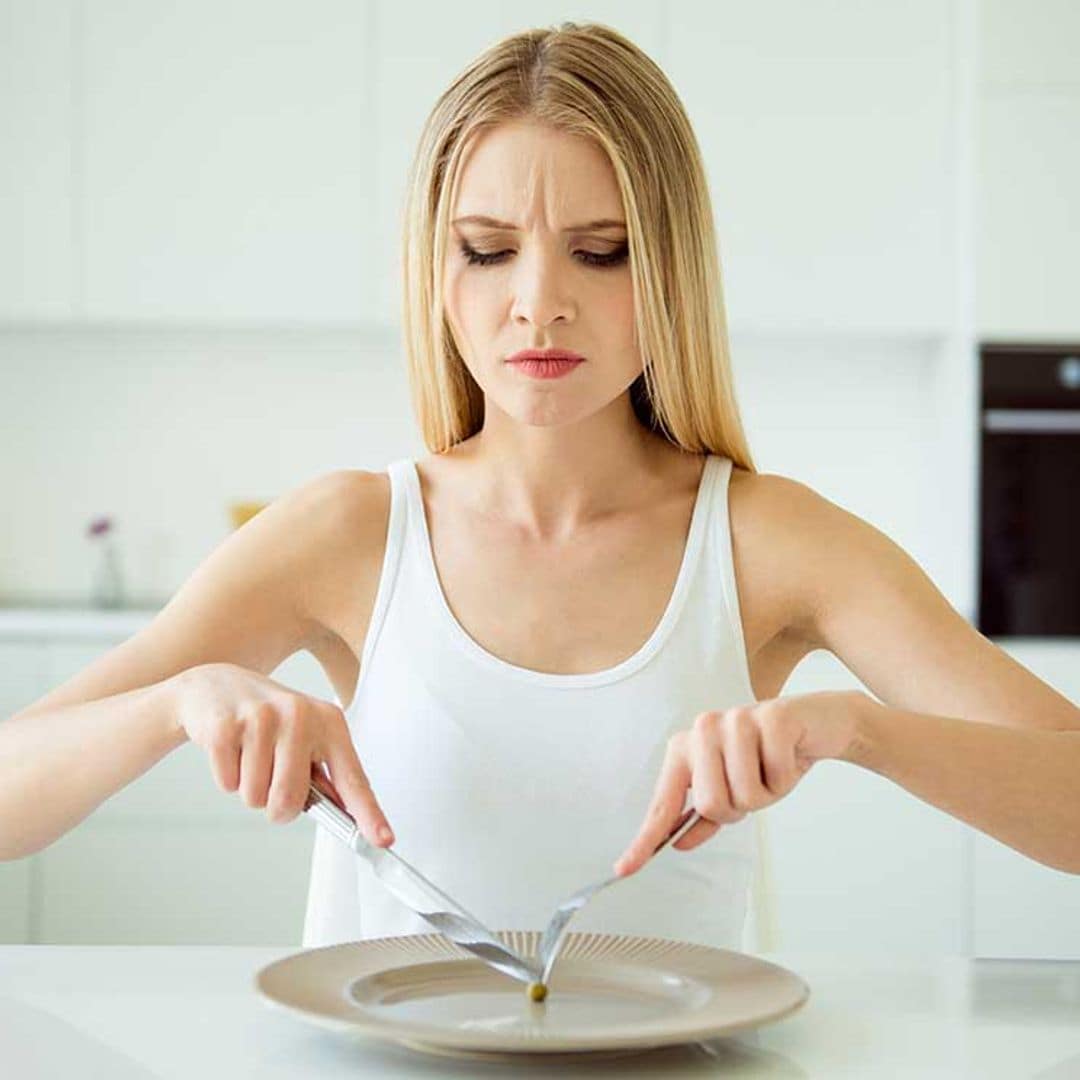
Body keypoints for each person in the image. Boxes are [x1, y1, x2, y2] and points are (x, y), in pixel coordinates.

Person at [2, 23, 1077, 954]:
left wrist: (853, 730)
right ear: (438, 269)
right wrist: (177, 703)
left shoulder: (770, 543)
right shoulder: (347, 533)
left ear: (668, 268)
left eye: (599, 253)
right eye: (488, 249)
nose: (538, 304)